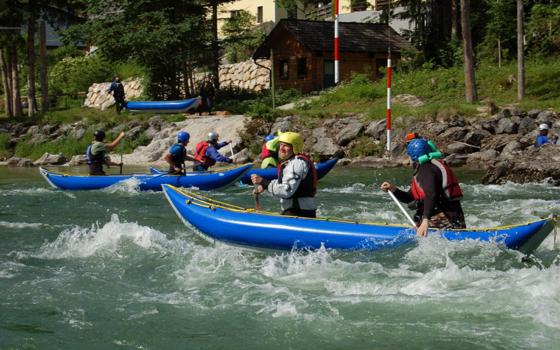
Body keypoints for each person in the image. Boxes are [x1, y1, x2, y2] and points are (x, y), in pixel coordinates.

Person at [380, 138, 465, 237]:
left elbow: (431, 194)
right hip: (453, 215)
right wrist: (394, 190)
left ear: (413, 156)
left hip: (442, 217)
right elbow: (410, 197)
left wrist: (425, 220)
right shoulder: (431, 166)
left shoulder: (425, 169)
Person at [251, 131, 318, 218]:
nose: (281, 148)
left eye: (286, 146)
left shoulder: (296, 163)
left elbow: (286, 191)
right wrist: (264, 186)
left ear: (295, 148)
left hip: (299, 213)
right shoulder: (292, 162)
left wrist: (264, 182)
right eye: (281, 145)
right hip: (297, 212)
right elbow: (285, 182)